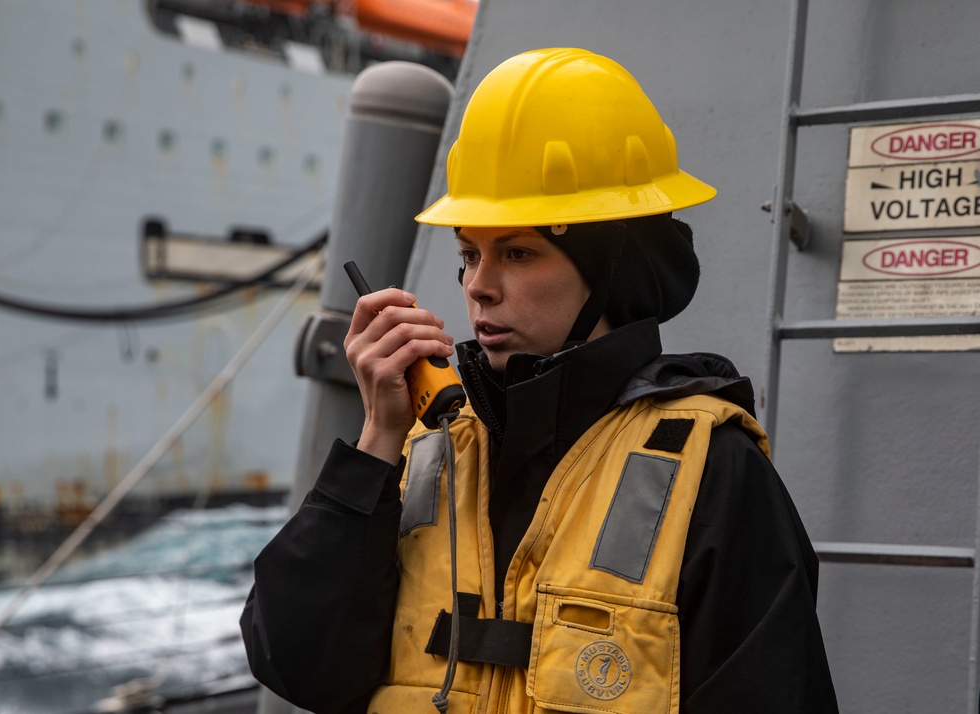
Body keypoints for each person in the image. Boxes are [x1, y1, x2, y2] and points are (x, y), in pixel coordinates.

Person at [240, 48, 838, 713]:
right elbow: (297, 666)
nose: (478, 288)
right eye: (468, 254)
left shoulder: (713, 471)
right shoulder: (415, 446)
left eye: (518, 253)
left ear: (610, 268)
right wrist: (378, 436)